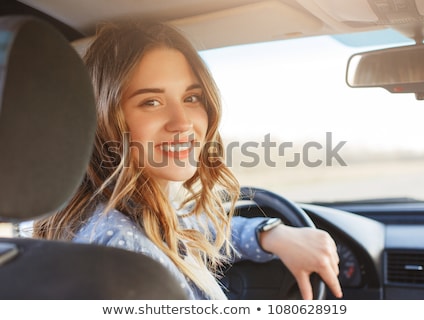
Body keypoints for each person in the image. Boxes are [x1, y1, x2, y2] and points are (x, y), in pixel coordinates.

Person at [33, 20, 342, 300]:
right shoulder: (127, 254)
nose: (182, 123)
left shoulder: (121, 214)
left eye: (191, 98)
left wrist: (269, 233)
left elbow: (191, 229)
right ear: (103, 119)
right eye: (151, 102)